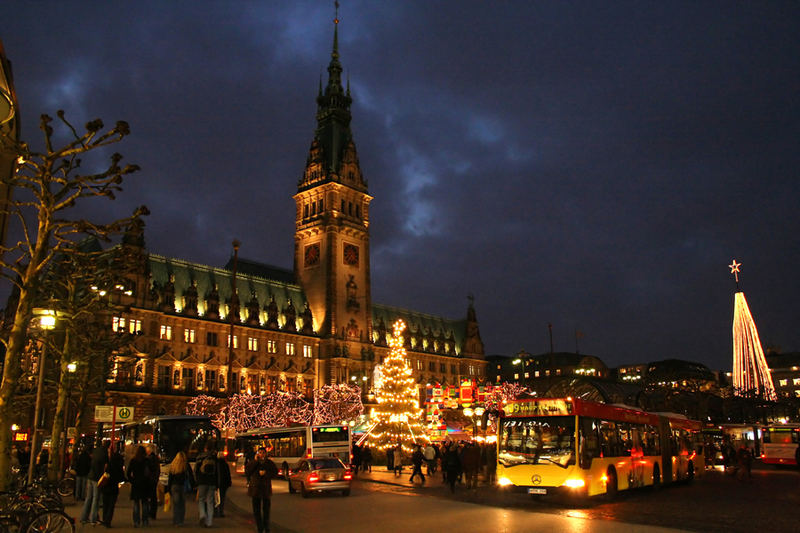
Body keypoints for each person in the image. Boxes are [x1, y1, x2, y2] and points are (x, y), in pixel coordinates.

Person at [245, 446, 278, 533]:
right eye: (260, 453)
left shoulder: (269, 463)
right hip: (255, 489)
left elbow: (275, 472)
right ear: (257, 454)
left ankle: (266, 527)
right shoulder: (254, 462)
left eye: (263, 453)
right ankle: (260, 527)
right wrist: (255, 461)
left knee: (266, 510)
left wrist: (266, 474)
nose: (262, 454)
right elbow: (248, 471)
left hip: (265, 489)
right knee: (256, 510)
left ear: (266, 454)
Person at [81, 440, 109, 525]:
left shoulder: (96, 450)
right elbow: (105, 466)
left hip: (90, 476)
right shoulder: (105, 454)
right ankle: (93, 518)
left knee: (88, 498)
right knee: (95, 499)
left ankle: (84, 517)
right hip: (97, 478)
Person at [194, 440, 218, 528]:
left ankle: (202, 515)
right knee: (210, 501)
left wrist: (196, 481)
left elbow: (196, 470)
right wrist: (217, 483)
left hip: (202, 481)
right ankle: (209, 522)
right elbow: (217, 472)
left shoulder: (200, 457)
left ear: (205, 448)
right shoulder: (214, 457)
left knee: (201, 499)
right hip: (211, 482)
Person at [100, 445, 125, 528]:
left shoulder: (109, 465)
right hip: (114, 488)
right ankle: (108, 520)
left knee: (105, 504)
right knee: (111, 505)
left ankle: (104, 519)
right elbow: (121, 478)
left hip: (106, 487)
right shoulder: (119, 468)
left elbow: (105, 475)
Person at [167, 451, 194, 526]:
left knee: (176, 504)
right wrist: (193, 485)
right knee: (182, 504)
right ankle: (181, 520)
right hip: (183, 486)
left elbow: (170, 478)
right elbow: (191, 476)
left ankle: (176, 520)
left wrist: (168, 489)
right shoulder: (186, 465)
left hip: (174, 486)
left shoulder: (173, 465)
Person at [127, 445, 152, 527]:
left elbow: (128, 473)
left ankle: (136, 521)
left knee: (136, 503)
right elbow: (150, 472)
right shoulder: (147, 461)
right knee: (145, 503)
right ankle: (145, 520)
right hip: (145, 484)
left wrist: (132, 480)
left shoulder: (133, 461)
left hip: (136, 484)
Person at [214, 451, 232, 518]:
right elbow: (227, 474)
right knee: (222, 498)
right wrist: (229, 482)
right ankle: (221, 511)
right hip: (224, 484)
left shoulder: (215, 463)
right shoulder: (225, 464)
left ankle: (215, 511)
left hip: (216, 483)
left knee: (216, 498)